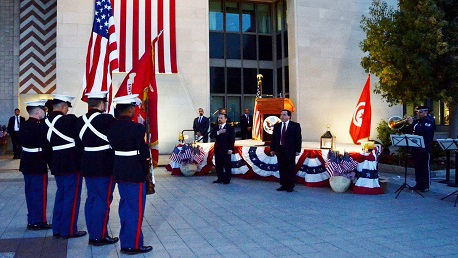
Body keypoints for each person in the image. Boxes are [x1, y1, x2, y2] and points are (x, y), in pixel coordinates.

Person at [107, 94, 153, 255]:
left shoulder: (112, 128)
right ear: (130, 109)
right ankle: (132, 245)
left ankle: (126, 241)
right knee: (135, 209)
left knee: (125, 208)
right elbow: (144, 154)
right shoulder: (138, 129)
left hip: (119, 171)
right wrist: (146, 170)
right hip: (135, 172)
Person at [76, 91, 118, 246]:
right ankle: (99, 236)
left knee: (91, 199)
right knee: (103, 200)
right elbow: (116, 139)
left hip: (87, 164)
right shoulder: (107, 119)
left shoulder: (80, 121)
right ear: (102, 104)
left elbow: (78, 145)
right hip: (105, 165)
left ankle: (93, 232)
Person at [44, 94, 86, 238]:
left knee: (60, 195)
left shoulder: (45, 122)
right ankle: (68, 230)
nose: (67, 110)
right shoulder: (70, 120)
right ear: (63, 107)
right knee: (71, 198)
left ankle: (57, 228)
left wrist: (52, 163)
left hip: (56, 164)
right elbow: (80, 141)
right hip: (72, 164)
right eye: (67, 107)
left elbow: (46, 148)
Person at [19, 100, 52, 230]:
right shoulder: (40, 127)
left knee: (30, 193)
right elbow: (46, 145)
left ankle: (32, 219)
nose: (44, 112)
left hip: (26, 161)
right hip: (38, 162)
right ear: (37, 111)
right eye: (43, 110)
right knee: (39, 193)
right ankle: (38, 221)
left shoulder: (24, 125)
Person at [401, 105, 436, 192]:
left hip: (425, 147)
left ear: (426, 112)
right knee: (417, 167)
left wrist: (412, 123)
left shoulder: (430, 121)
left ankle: (425, 186)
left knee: (424, 167)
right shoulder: (417, 122)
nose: (418, 114)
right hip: (416, 147)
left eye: (420, 112)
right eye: (417, 112)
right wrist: (400, 126)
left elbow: (424, 131)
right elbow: (408, 130)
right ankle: (418, 184)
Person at [270, 110, 302, 192]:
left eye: (284, 115)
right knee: (281, 167)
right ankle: (283, 184)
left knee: (290, 168)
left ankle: (290, 185)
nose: (282, 116)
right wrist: (272, 149)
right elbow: (274, 139)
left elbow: (298, 138)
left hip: (290, 150)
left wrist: (298, 150)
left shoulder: (295, 126)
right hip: (280, 150)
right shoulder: (277, 126)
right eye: (281, 115)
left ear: (289, 116)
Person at [210, 113, 235, 184]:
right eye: (219, 118)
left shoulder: (230, 128)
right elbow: (211, 135)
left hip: (226, 149)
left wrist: (230, 149)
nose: (219, 119)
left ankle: (227, 179)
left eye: (221, 118)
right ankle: (220, 178)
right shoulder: (216, 127)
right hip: (218, 149)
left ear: (225, 119)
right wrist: (218, 132)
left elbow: (232, 139)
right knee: (218, 164)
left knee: (227, 164)